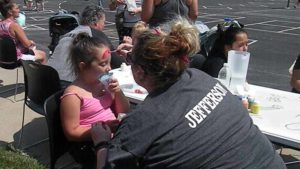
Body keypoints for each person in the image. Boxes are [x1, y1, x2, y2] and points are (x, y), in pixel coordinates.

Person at [90, 17, 286, 169]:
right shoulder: (203, 79)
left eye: (131, 59)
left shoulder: (139, 124)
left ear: (139, 72)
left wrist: (102, 143)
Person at [60, 32, 130, 168]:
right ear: (82, 66)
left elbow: (124, 110)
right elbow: (71, 132)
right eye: (103, 64)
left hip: (113, 135)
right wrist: (104, 129)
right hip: (90, 144)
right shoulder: (73, 95)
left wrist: (118, 92)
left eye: (109, 62)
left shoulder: (103, 84)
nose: (109, 68)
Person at [47, 5, 125, 82]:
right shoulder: (95, 35)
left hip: (49, 78)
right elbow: (118, 63)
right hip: (69, 83)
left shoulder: (66, 36)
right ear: (96, 24)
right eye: (103, 22)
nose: (104, 26)